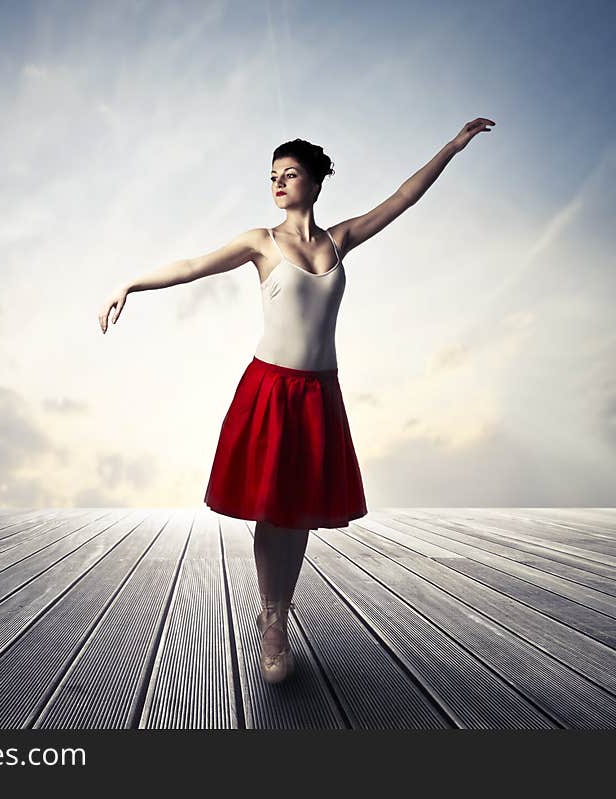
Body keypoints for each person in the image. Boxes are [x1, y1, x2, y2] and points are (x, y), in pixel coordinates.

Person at [98, 119, 496, 684]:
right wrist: (130, 285)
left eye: (290, 174)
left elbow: (404, 199)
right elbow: (191, 267)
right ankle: (271, 621)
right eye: (273, 176)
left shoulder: (341, 238)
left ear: (314, 182)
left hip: (318, 393)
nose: (279, 183)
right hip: (269, 388)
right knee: (272, 507)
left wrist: (452, 148)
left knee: (301, 510)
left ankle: (280, 608)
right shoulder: (260, 242)